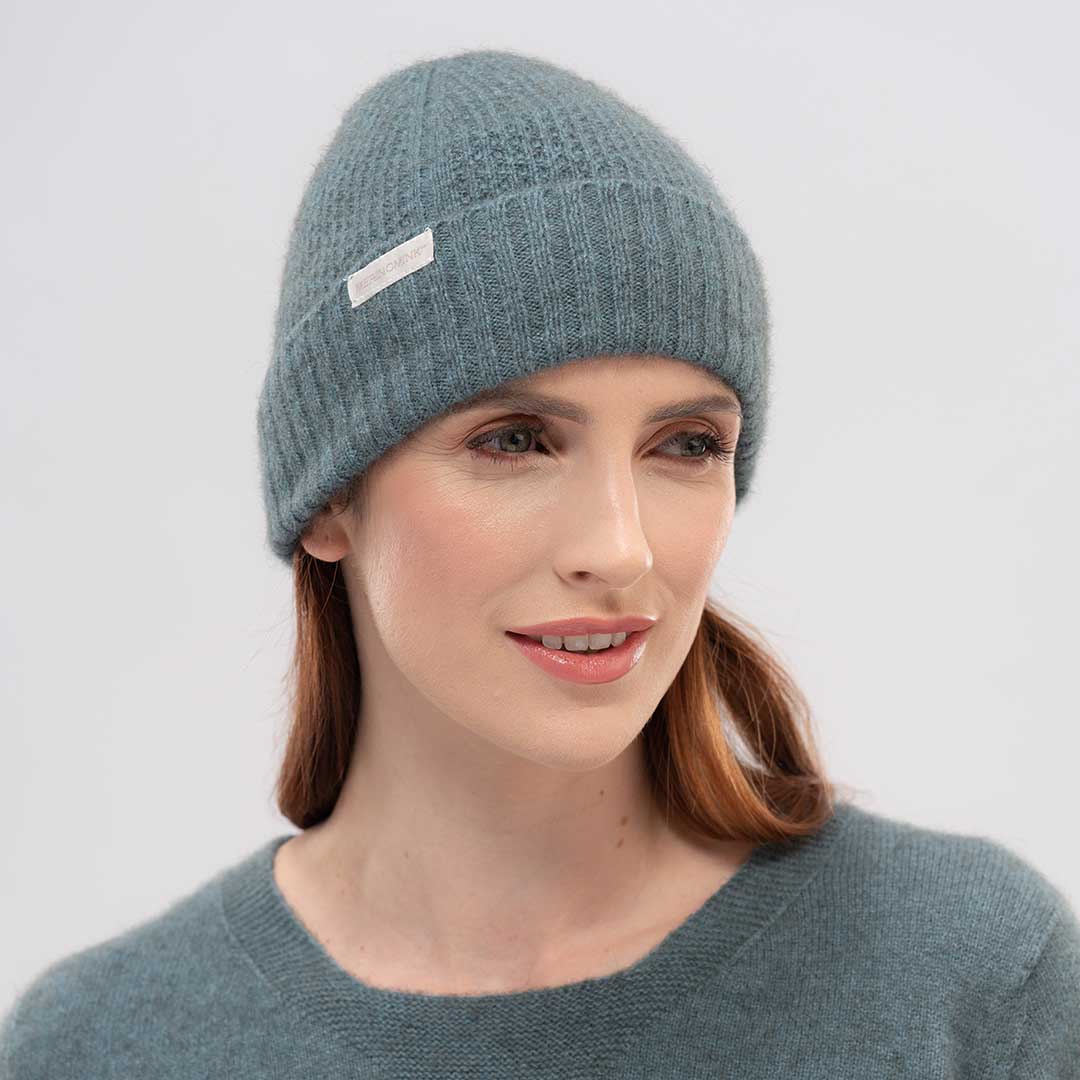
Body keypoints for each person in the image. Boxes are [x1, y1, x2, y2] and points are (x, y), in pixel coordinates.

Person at [2, 46, 1078, 1079]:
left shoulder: (970, 980)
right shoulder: (96, 1049)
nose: (620, 548)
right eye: (514, 440)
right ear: (330, 495)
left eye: (686, 445)